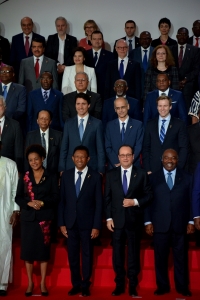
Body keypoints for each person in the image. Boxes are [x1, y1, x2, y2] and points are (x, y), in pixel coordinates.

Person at [144, 149, 194, 297]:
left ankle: (182, 286)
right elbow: (147, 202)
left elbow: (192, 200)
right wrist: (148, 221)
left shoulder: (187, 177)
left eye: (173, 158)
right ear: (162, 159)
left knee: (181, 258)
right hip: (160, 224)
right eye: (166, 158)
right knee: (160, 257)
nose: (169, 161)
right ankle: (162, 286)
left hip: (180, 224)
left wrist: (191, 221)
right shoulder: (153, 178)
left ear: (177, 160)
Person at [105, 145, 152, 297]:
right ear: (118, 157)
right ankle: (119, 284)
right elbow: (107, 199)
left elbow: (149, 195)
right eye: (122, 155)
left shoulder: (142, 174)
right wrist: (109, 218)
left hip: (134, 221)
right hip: (117, 222)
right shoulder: (111, 174)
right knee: (117, 255)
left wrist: (135, 202)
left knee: (133, 254)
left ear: (133, 156)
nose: (125, 158)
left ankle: (132, 285)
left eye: (128, 155)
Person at [15, 144, 59, 296]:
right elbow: (18, 197)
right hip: (28, 220)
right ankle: (30, 283)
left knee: (43, 253)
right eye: (31, 160)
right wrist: (27, 203)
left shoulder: (51, 176)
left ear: (42, 159)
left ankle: (42, 284)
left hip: (44, 220)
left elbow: (55, 197)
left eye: (36, 159)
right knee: (27, 253)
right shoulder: (25, 176)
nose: (34, 162)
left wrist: (42, 203)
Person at [58, 145, 103, 296]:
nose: (79, 159)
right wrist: (62, 223)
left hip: (88, 224)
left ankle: (85, 285)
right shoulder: (66, 176)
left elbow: (99, 203)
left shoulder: (96, 176)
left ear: (88, 159)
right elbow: (62, 201)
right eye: (76, 156)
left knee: (87, 255)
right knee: (72, 256)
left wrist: (97, 226)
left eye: (82, 157)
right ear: (72, 158)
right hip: (70, 223)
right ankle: (76, 283)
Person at [59, 93, 105, 173]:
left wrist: (101, 169)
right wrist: (62, 168)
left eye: (83, 104)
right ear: (75, 105)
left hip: (91, 166)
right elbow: (64, 148)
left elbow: (100, 149)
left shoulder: (97, 124)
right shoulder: (68, 123)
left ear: (89, 105)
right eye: (78, 104)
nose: (80, 107)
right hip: (71, 166)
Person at [142, 95, 188, 174]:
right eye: (160, 106)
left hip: (173, 168)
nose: (162, 109)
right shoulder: (150, 124)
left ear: (170, 107)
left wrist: (178, 167)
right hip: (153, 169)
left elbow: (184, 148)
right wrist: (148, 169)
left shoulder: (179, 124)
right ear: (157, 107)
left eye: (165, 106)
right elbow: (146, 148)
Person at [0, 141, 19, 296]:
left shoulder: (10, 164)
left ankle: (2, 284)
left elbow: (15, 189)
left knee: (4, 244)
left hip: (4, 210)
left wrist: (15, 211)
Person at [105, 97, 143, 169]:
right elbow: (108, 147)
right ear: (115, 109)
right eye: (118, 108)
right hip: (115, 166)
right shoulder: (109, 126)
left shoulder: (138, 125)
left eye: (123, 107)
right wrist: (119, 162)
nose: (120, 110)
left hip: (133, 166)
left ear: (128, 106)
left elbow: (138, 146)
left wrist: (127, 162)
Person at [170, 27, 200, 111]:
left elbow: (196, 69)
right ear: (176, 36)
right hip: (173, 85)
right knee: (174, 110)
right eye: (180, 34)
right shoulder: (170, 49)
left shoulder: (195, 50)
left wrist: (185, 79)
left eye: (185, 34)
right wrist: (176, 81)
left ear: (188, 36)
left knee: (186, 112)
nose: (182, 36)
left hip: (188, 87)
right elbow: (168, 66)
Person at [45, 16, 77, 89]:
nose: (60, 28)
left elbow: (73, 55)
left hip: (68, 70)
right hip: (54, 70)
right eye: (58, 26)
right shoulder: (51, 38)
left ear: (66, 26)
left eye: (62, 25)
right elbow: (48, 54)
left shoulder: (72, 39)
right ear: (56, 26)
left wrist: (64, 67)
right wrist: (58, 65)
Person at [85, 30, 114, 99]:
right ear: (91, 40)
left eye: (99, 39)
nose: (97, 41)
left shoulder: (110, 55)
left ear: (102, 40)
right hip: (88, 90)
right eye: (94, 39)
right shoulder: (84, 54)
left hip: (104, 91)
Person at [0, 96, 24, 172]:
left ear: (5, 107)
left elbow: (18, 151)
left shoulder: (15, 125)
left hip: (9, 168)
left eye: (0, 105)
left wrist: (18, 170)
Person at [129, 31, 154, 100]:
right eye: (142, 39)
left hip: (152, 88)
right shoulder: (132, 53)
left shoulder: (156, 52)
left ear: (151, 40)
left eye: (147, 39)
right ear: (139, 40)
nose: (145, 41)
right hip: (137, 89)